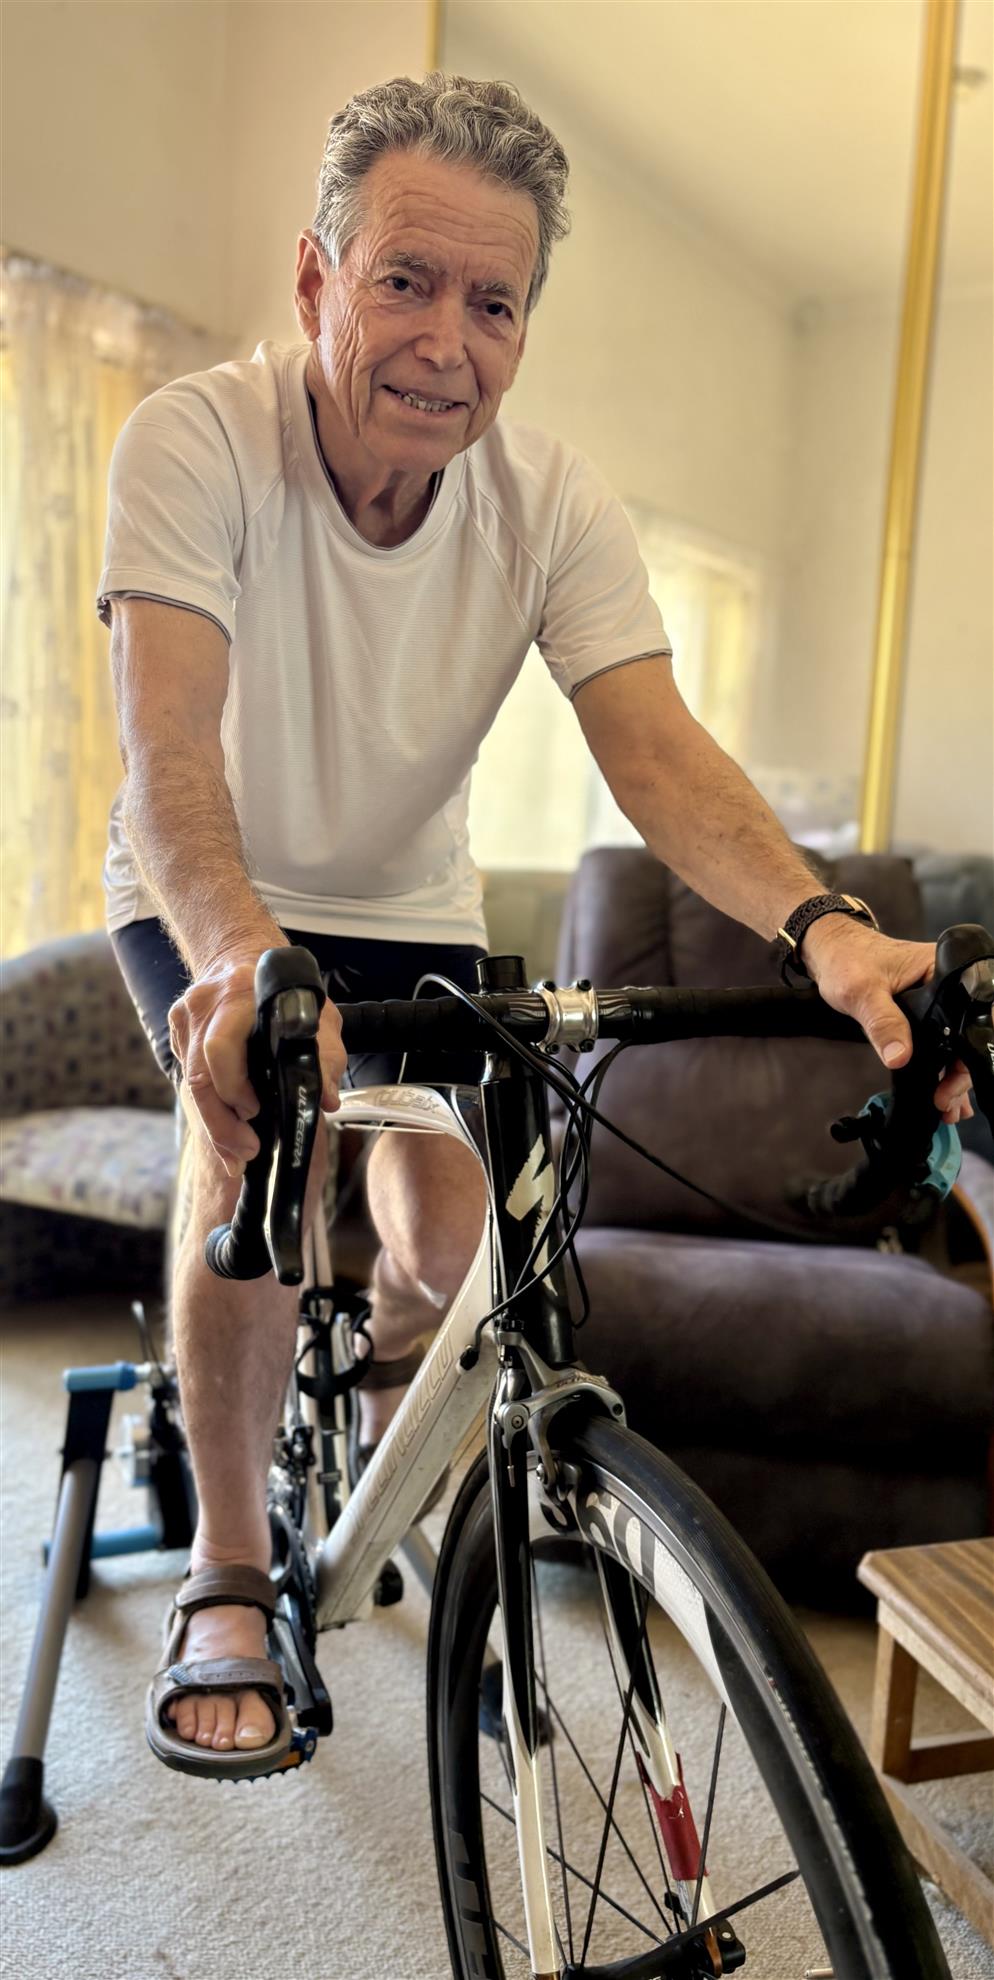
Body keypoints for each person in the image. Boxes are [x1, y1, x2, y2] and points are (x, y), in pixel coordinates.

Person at [100, 73, 973, 1778]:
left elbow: (657, 755)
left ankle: (380, 1422)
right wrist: (242, 962)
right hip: (206, 885)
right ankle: (231, 1562)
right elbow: (169, 750)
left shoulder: (548, 502)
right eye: (403, 281)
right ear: (315, 280)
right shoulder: (195, 442)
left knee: (456, 1251)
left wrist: (825, 928)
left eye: (491, 304)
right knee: (254, 1144)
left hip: (408, 903)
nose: (446, 342)